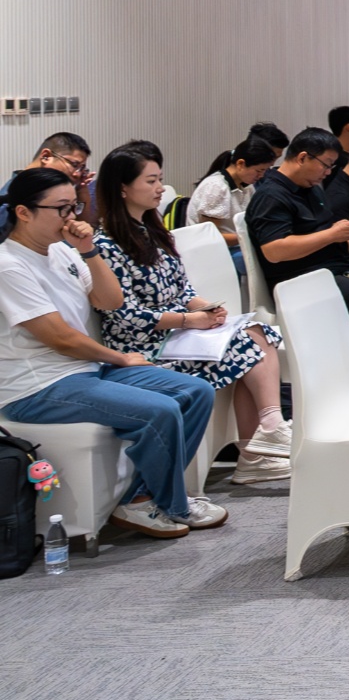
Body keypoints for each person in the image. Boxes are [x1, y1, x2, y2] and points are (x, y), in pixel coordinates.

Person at [0, 167, 224, 538]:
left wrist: (88, 251)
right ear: (24, 212)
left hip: (83, 370)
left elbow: (110, 300)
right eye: (61, 209)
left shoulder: (63, 251)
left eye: (74, 207)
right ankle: (171, 504)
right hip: (37, 386)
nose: (71, 217)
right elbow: (60, 338)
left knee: (196, 391)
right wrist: (120, 358)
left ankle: (140, 500)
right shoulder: (9, 264)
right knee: (160, 410)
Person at [92, 146, 291, 485]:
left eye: (160, 179)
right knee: (249, 347)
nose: (160, 189)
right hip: (145, 347)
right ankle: (258, 448)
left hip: (177, 335)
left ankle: (263, 439)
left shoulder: (153, 232)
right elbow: (125, 315)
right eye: (151, 181)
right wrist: (188, 320)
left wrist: (204, 308)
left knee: (256, 332)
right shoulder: (107, 245)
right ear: (122, 188)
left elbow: (181, 289)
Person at [246, 128, 349, 322]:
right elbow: (274, 251)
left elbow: (322, 230)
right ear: (302, 158)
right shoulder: (271, 195)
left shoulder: (311, 188)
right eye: (326, 165)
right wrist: (332, 234)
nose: (328, 172)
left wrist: (342, 229)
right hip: (303, 282)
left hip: (337, 269)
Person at [185, 137, 277, 257]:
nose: (261, 176)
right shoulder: (216, 187)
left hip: (235, 247)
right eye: (259, 171)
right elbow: (210, 236)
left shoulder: (247, 187)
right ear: (240, 164)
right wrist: (249, 237)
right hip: (211, 253)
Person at [6, 133, 97, 225]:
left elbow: (80, 227)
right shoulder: (9, 200)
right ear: (46, 157)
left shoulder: (53, 190)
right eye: (74, 165)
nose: (77, 174)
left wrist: (81, 189)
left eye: (82, 168)